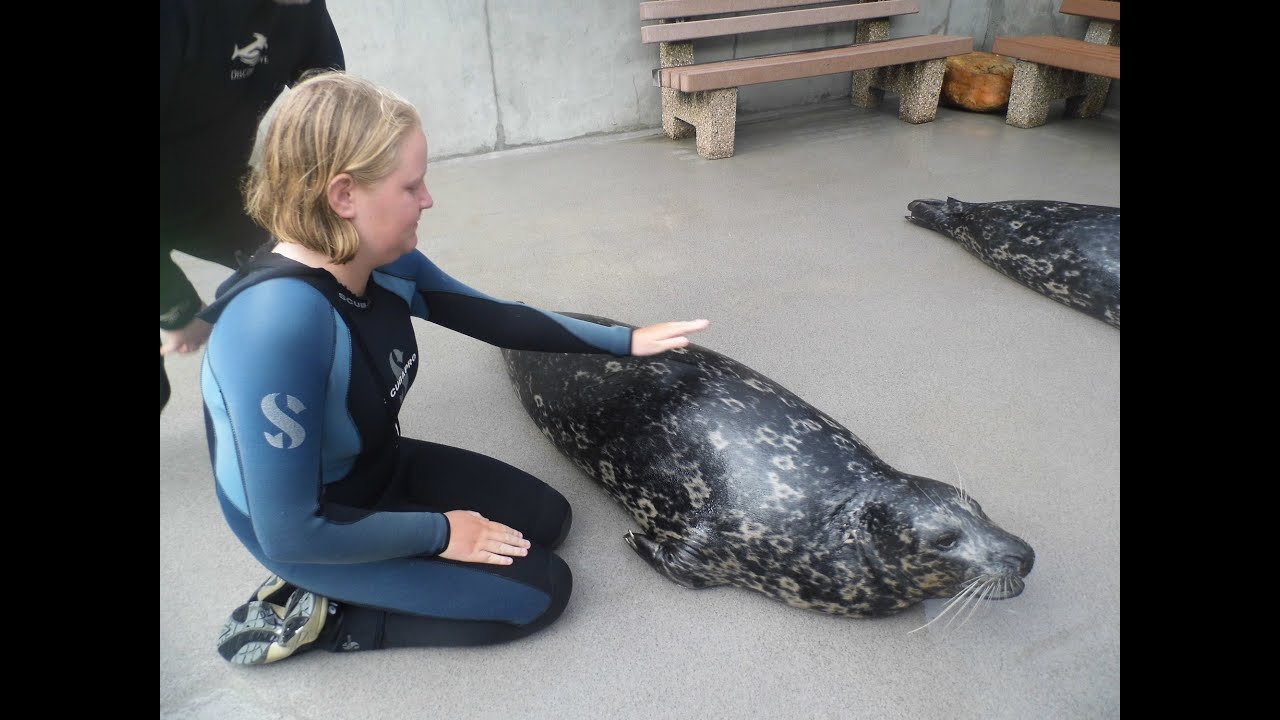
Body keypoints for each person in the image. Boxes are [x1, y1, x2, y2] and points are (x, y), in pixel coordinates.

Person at [200, 70, 711, 665]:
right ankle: (326, 617)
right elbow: (288, 530)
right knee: (541, 594)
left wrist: (626, 340)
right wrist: (441, 533)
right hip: (315, 532)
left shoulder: (378, 257)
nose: (428, 200)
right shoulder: (274, 326)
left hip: (379, 468)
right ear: (344, 196)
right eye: (411, 186)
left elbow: (492, 316)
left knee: (550, 519)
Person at [160, 0, 345, 413]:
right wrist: (176, 307)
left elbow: (326, 93)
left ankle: (315, 416)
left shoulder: (301, 5)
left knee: (315, 266)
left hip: (221, 192)